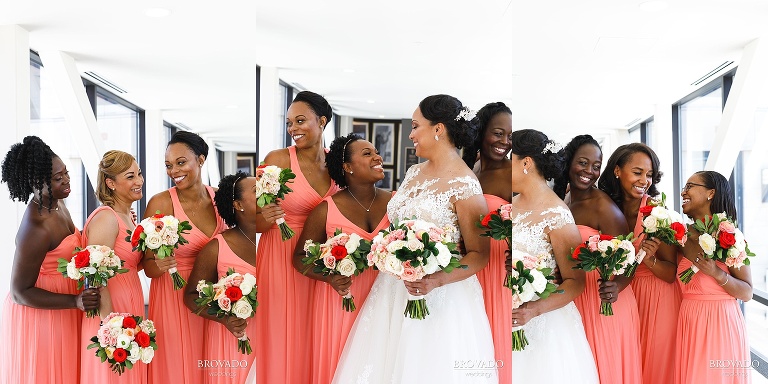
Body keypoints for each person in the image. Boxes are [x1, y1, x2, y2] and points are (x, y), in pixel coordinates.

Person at [333, 94, 496, 384]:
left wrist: (435, 280)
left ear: (438, 129)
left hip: (440, 294)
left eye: (415, 126)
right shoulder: (413, 172)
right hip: (393, 290)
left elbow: (479, 254)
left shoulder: (465, 184)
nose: (411, 135)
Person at [253, 90, 341, 384]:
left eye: (300, 121)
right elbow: (254, 221)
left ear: (322, 121)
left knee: (315, 332)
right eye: (289, 123)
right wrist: (265, 217)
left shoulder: (337, 164)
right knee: (282, 330)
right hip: (281, 254)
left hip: (323, 257)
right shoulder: (277, 159)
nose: (293, 129)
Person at [291, 134, 392, 384]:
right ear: (347, 167)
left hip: (385, 299)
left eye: (376, 152)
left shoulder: (394, 202)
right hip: (340, 302)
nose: (378, 157)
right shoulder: (325, 209)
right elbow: (300, 258)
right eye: (367, 154)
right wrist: (331, 278)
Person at [0, 136, 99, 384]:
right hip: (44, 316)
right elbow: (19, 292)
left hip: (66, 306)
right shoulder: (35, 228)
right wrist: (74, 301)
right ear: (37, 182)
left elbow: (73, 242)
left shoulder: (57, 203)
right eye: (58, 178)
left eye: (66, 172)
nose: (66, 180)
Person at [506, 129, 598, 383]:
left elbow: (575, 282)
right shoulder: (512, 204)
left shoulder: (556, 213)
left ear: (526, 162)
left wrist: (533, 310)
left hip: (545, 325)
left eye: (509, 160)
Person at [553, 134, 642, 383]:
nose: (589, 172)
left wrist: (617, 286)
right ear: (568, 162)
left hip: (603, 303)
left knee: (602, 369)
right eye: (583, 163)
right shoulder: (564, 199)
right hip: (575, 298)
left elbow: (629, 261)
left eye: (596, 166)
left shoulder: (605, 208)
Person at [143, 131, 227, 384]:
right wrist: (160, 264)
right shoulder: (160, 203)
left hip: (214, 294)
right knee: (178, 369)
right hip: (174, 297)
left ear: (200, 160)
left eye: (181, 162)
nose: (174, 171)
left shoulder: (221, 198)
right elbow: (148, 266)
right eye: (169, 165)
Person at [597, 142, 681, 383]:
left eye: (649, 175)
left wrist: (650, 259)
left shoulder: (658, 212)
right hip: (621, 296)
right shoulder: (603, 206)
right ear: (617, 170)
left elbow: (670, 273)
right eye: (637, 172)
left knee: (653, 367)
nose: (644, 180)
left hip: (656, 299)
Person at [676, 171, 752, 383]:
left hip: (721, 325)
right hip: (690, 323)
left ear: (711, 193)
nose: (683, 192)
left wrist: (717, 273)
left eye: (690, 186)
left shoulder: (730, 236)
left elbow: (747, 292)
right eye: (684, 187)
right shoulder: (681, 236)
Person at [79, 150, 147, 383]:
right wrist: (110, 328)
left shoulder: (129, 217)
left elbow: (126, 265)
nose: (139, 181)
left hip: (130, 306)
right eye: (130, 177)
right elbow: (96, 277)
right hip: (110, 314)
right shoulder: (106, 218)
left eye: (139, 174)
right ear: (111, 183)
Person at [185, 172, 258, 384]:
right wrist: (224, 319)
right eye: (256, 191)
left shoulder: (273, 239)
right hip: (232, 340)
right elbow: (191, 296)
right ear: (238, 205)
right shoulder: (216, 248)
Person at [461, 101, 513, 383]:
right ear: (481, 132)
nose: (505, 142)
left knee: (496, 341)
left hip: (499, 273)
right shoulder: (472, 169)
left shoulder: (512, 175)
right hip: (469, 269)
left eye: (510, 136)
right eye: (498, 133)